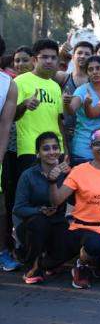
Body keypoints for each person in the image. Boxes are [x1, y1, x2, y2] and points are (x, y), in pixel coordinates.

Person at [49, 128, 100, 288]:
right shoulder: (79, 171)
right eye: (98, 144)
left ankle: (97, 261)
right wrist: (53, 181)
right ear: (91, 147)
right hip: (83, 229)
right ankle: (82, 264)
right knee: (96, 245)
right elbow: (57, 200)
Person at [13, 132, 69, 283]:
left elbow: (77, 201)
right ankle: (32, 267)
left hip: (57, 222)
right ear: (38, 153)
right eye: (46, 149)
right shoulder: (28, 175)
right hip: (32, 225)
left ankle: (46, 262)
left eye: (55, 147)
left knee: (71, 242)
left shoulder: (66, 173)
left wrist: (72, 175)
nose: (52, 152)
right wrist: (39, 210)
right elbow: (18, 208)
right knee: (39, 221)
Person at [14, 39, 67, 179]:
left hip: (56, 150)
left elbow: (59, 121)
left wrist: (65, 150)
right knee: (32, 196)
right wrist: (25, 104)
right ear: (34, 59)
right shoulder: (19, 81)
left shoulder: (55, 86)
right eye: (44, 57)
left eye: (53, 57)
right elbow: (11, 117)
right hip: (29, 149)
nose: (49, 61)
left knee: (54, 196)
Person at [65, 56, 100, 165]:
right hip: (83, 149)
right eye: (91, 69)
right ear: (87, 73)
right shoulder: (82, 90)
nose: (95, 72)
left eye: (98, 68)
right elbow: (71, 110)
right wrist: (66, 103)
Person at [0, 41, 18, 272]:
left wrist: (1, 155)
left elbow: (5, 124)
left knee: (1, 208)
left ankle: (3, 251)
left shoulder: (8, 85)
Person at [56, 41, 92, 145]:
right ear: (73, 56)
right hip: (62, 133)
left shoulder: (96, 82)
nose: (83, 56)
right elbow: (47, 73)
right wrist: (60, 54)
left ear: (92, 57)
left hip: (85, 137)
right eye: (80, 53)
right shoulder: (63, 77)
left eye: (87, 54)